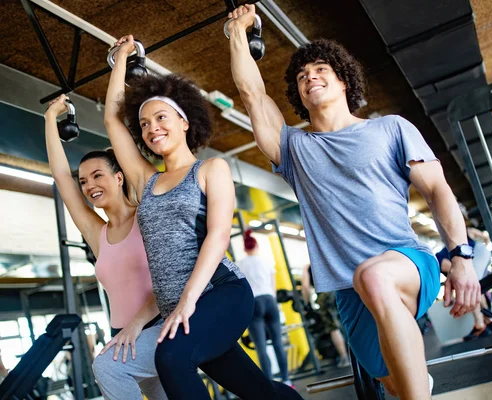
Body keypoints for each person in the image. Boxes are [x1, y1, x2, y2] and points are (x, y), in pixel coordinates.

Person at [227, 5, 481, 399]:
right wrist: (237, 32)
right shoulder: (294, 149)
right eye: (302, 75)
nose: (310, 76)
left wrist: (461, 258)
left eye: (321, 70)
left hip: (407, 264)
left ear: (344, 81)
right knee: (400, 383)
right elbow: (252, 93)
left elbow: (437, 191)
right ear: (298, 94)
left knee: (374, 275)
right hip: (350, 293)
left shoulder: (391, 128)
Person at [104, 35, 302, 400]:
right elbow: (113, 122)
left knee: (171, 357)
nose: (152, 129)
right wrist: (120, 62)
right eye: (145, 124)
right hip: (182, 306)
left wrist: (187, 302)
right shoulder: (146, 181)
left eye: (161, 117)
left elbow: (218, 236)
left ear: (184, 121)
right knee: (258, 391)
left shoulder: (211, 169)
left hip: (219, 293)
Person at [43, 95, 166, 400]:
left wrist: (136, 327)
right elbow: (61, 176)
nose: (89, 185)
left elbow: (168, 281)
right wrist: (49, 120)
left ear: (119, 176)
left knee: (107, 367)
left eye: (98, 175)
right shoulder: (97, 233)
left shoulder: (147, 216)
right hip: (122, 335)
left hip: (155, 327)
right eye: (84, 181)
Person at [237, 230, 293, 386]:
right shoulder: (266, 261)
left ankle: (268, 384)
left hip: (254, 302)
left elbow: (242, 288)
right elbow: (273, 285)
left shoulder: (241, 264)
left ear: (244, 248)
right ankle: (287, 379)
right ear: (257, 246)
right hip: (270, 300)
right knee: (278, 343)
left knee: (261, 347)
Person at [436, 229, 492, 341]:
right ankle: (488, 320)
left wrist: (485, 245)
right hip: (480, 254)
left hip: (479, 253)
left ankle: (480, 324)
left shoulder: (467, 232)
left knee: (469, 286)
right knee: (476, 287)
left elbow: (457, 273)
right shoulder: (443, 255)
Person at [301, 265, 350, 368]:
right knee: (347, 322)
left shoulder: (307, 267)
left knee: (333, 328)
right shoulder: (325, 258)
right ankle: (356, 356)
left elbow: (305, 286)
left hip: (325, 296)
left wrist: (307, 304)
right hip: (338, 291)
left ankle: (345, 358)